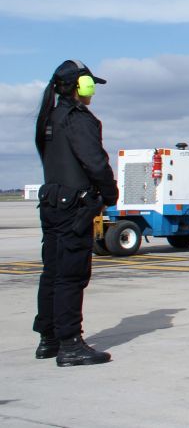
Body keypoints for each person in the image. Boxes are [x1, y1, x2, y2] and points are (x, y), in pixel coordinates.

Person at [33, 60, 118, 366]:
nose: (92, 90)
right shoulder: (79, 119)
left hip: (52, 203)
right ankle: (70, 344)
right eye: (90, 84)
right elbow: (95, 163)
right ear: (80, 86)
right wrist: (110, 193)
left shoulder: (49, 118)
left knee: (52, 273)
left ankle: (49, 339)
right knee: (71, 276)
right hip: (75, 209)